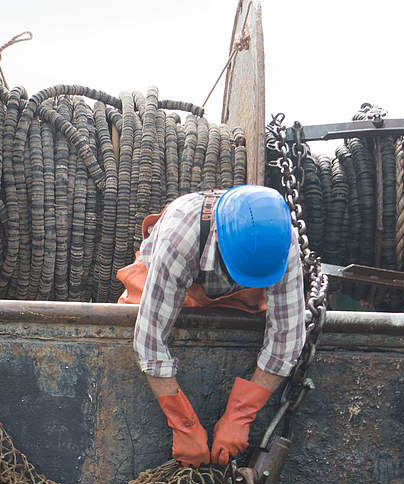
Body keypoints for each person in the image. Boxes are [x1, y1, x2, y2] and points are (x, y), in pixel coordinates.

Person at [126, 186, 306, 467]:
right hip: (168, 278)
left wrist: (241, 414)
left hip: (240, 298)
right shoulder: (179, 239)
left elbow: (287, 338)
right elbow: (149, 341)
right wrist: (182, 423)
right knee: (127, 323)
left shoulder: (281, 244)